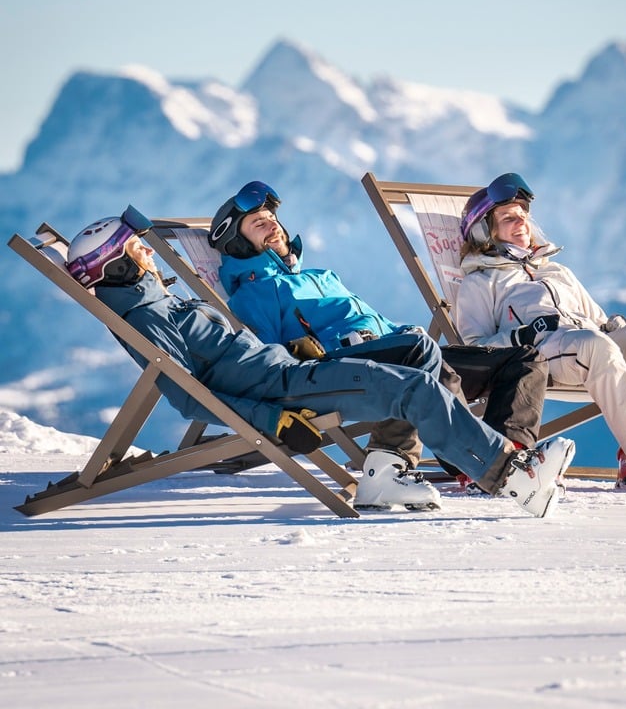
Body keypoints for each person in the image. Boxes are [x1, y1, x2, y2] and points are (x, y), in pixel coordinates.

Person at [65, 206, 576, 519]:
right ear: (114, 264)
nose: (148, 254)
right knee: (410, 388)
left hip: (285, 369)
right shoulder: (146, 315)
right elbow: (184, 394)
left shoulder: (158, 300)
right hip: (280, 390)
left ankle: (388, 474)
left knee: (412, 364)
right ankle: (511, 475)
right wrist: (272, 420)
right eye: (138, 248)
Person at [209, 180, 552, 510]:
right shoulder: (253, 295)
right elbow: (267, 361)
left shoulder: (320, 276)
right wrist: (300, 349)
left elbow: (378, 322)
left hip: (398, 348)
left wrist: (402, 330)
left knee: (524, 359)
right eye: (258, 224)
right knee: (417, 353)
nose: (273, 226)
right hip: (342, 367)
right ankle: (485, 466)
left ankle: (514, 454)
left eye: (272, 219)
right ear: (238, 245)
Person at [455, 172, 626, 493]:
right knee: (595, 346)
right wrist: (522, 336)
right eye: (508, 218)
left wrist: (621, 331)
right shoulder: (480, 283)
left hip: (588, 346)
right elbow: (476, 351)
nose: (521, 223)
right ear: (484, 232)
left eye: (523, 215)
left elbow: (600, 322)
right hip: (541, 356)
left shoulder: (556, 269)